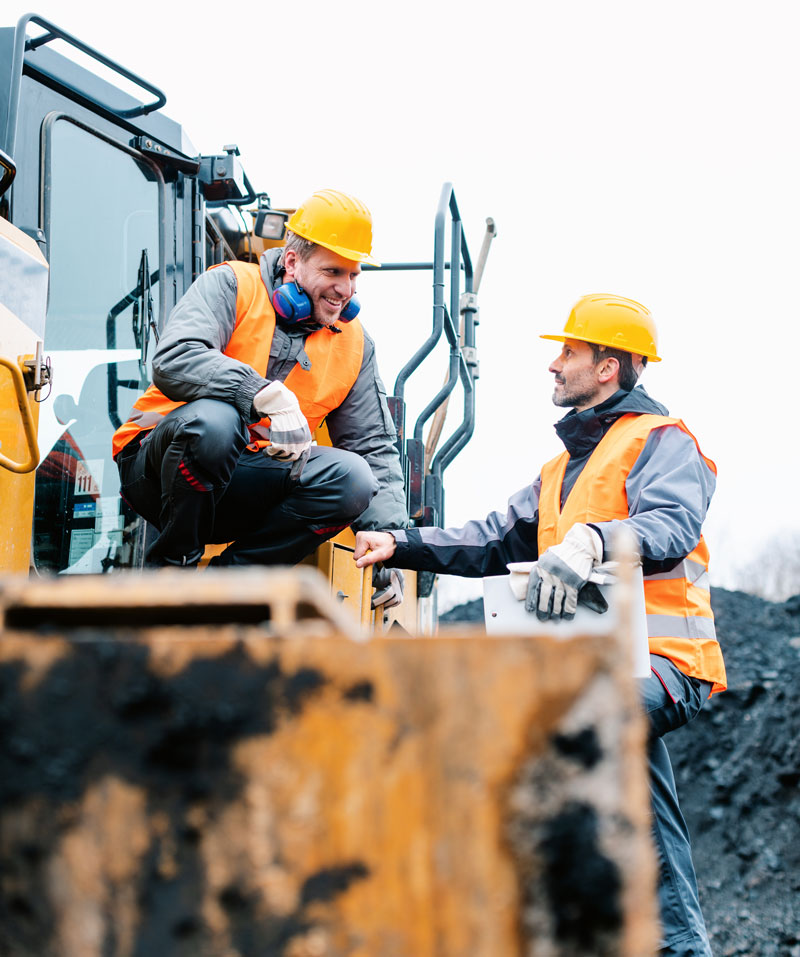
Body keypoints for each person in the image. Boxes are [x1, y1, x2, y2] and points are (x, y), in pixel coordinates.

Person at [354, 293, 726, 956]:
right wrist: (400, 543)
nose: (553, 365)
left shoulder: (663, 442)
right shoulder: (558, 471)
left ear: (609, 366)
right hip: (602, 665)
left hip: (668, 663)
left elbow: (668, 527)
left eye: (569, 353)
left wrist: (590, 540)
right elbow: (491, 540)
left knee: (568, 723)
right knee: (629, 774)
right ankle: (664, 942)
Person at [112, 188, 408, 590]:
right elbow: (175, 357)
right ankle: (172, 571)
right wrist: (262, 393)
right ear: (292, 262)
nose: (346, 290)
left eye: (354, 275)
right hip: (158, 471)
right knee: (216, 422)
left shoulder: (355, 344)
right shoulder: (233, 285)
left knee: (354, 478)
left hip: (245, 483)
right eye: (333, 272)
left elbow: (371, 445)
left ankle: (229, 587)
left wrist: (391, 542)